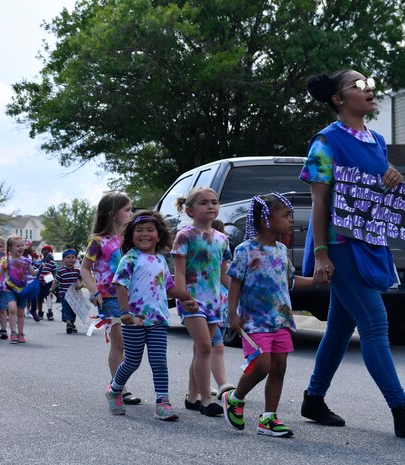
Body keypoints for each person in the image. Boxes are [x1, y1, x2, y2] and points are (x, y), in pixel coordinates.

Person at [299, 69, 405, 437]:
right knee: (375, 325)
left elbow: (376, 184)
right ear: (338, 99)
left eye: (369, 82)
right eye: (358, 85)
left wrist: (392, 176)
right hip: (339, 244)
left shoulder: (375, 139)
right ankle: (401, 409)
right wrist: (322, 254)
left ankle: (313, 398)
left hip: (368, 241)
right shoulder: (325, 142)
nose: (369, 89)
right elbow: (319, 200)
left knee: (341, 327)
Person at [221, 193, 315, 438]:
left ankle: (269, 418)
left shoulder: (282, 250)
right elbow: (235, 283)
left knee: (279, 367)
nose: (291, 221)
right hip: (254, 320)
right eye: (285, 216)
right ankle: (235, 398)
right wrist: (232, 312)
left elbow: (290, 281)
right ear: (266, 220)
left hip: (281, 319)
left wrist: (316, 279)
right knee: (261, 365)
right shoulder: (246, 250)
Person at [106, 210, 198, 420]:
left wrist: (186, 298)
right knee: (132, 361)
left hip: (157, 320)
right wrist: (124, 311)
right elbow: (120, 285)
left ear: (159, 235)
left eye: (150, 230)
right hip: (135, 320)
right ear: (131, 235)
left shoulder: (160, 260)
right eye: (139, 230)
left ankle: (162, 403)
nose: (144, 234)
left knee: (159, 362)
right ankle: (114, 390)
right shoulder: (130, 258)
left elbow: (169, 287)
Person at [171, 187, 231, 416]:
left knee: (200, 350)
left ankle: (192, 396)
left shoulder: (222, 239)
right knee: (206, 346)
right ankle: (207, 399)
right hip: (192, 300)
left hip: (214, 301)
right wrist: (184, 297)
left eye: (214, 202)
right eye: (204, 203)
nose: (211, 206)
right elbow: (180, 272)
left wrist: (237, 295)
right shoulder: (185, 236)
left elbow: (224, 275)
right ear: (190, 210)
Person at [81, 191, 141, 406]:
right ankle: (120, 387)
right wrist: (93, 291)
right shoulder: (98, 241)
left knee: (131, 344)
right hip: (109, 296)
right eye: (127, 209)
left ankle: (117, 383)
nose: (131, 213)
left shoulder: (131, 239)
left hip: (132, 296)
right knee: (119, 342)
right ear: (113, 213)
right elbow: (85, 268)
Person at [0, 235, 39, 344]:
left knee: (20, 313)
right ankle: (13, 332)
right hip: (10, 289)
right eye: (17, 246)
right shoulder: (7, 261)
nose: (21, 248)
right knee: (12, 309)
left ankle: (20, 333)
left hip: (23, 291)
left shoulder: (27, 261)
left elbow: (32, 272)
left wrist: (41, 269)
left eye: (22, 245)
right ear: (10, 248)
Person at [49, 249, 81, 333]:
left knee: (74, 310)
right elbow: (56, 281)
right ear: (63, 260)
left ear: (76, 259)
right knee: (66, 308)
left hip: (74, 294)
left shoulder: (77, 270)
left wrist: (81, 285)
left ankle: (72, 323)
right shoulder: (61, 271)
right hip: (64, 294)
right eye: (68, 257)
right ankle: (68, 322)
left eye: (73, 257)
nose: (70, 259)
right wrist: (51, 290)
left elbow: (81, 279)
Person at [37, 245, 57, 320]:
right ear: (42, 252)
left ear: (50, 252)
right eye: (44, 250)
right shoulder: (39, 262)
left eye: (47, 251)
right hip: (40, 282)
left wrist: (49, 279)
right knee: (39, 298)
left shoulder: (52, 263)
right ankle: (40, 312)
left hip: (48, 282)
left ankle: (50, 313)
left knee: (48, 297)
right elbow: (36, 271)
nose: (45, 252)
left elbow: (54, 273)